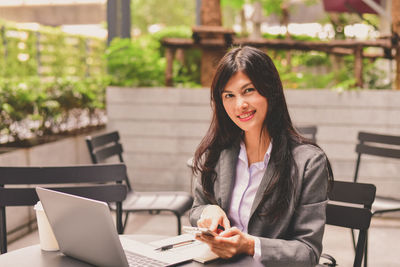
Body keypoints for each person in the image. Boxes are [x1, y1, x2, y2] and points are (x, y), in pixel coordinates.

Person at [189, 46, 333, 267]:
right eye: (229, 95)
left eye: (248, 90)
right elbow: (197, 209)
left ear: (270, 91)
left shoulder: (308, 163)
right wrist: (209, 210)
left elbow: (308, 252)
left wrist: (249, 245)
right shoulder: (217, 152)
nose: (240, 105)